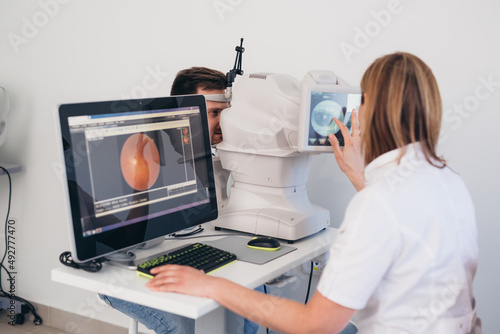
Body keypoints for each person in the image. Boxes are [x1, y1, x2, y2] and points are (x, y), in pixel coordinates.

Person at [143, 52, 481, 333]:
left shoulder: (377, 205)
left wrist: (210, 285)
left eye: (360, 103)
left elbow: (315, 326)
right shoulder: (446, 180)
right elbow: (403, 220)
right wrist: (360, 178)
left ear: (373, 113)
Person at [100, 67, 263, 334]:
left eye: (226, 112)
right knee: (183, 326)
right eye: (213, 113)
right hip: (123, 270)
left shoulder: (215, 155)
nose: (224, 122)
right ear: (183, 111)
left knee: (248, 308)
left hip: (184, 255)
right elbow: (120, 234)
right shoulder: (143, 150)